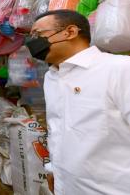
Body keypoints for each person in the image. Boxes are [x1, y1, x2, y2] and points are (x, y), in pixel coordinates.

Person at [26, 10, 130, 195]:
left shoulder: (119, 69)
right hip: (67, 186)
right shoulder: (52, 77)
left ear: (70, 32)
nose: (31, 42)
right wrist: (52, 169)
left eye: (38, 35)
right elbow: (57, 128)